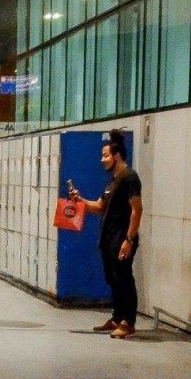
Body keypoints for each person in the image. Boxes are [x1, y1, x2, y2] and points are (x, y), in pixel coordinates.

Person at [70, 129, 142, 339]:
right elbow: (99, 206)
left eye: (105, 155)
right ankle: (117, 317)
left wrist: (129, 239)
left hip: (122, 239)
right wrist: (79, 199)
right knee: (113, 280)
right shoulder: (112, 181)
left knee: (124, 279)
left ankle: (128, 321)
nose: (102, 160)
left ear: (117, 155)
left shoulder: (129, 177)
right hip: (108, 240)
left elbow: (137, 209)